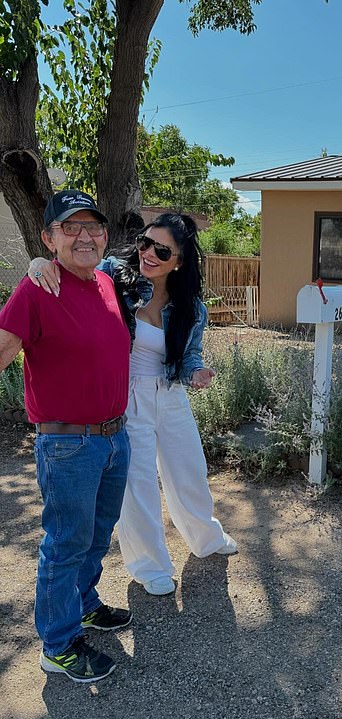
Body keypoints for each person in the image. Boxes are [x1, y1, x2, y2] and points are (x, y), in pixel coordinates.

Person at [29, 212, 237, 599]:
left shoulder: (192, 307)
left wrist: (196, 373)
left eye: (162, 249)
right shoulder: (114, 275)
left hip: (170, 393)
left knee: (189, 470)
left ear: (180, 260)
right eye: (145, 242)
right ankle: (150, 565)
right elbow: (71, 266)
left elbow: (189, 355)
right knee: (138, 483)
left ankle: (206, 537)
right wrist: (39, 264)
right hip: (128, 396)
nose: (148, 253)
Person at [0, 189, 132, 683]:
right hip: (68, 444)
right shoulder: (35, 289)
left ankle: (85, 603)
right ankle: (57, 644)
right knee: (66, 541)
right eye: (70, 228)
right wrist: (34, 266)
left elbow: (164, 270)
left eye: (92, 227)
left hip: (114, 437)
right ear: (49, 237)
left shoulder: (105, 281)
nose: (84, 236)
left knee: (97, 534)